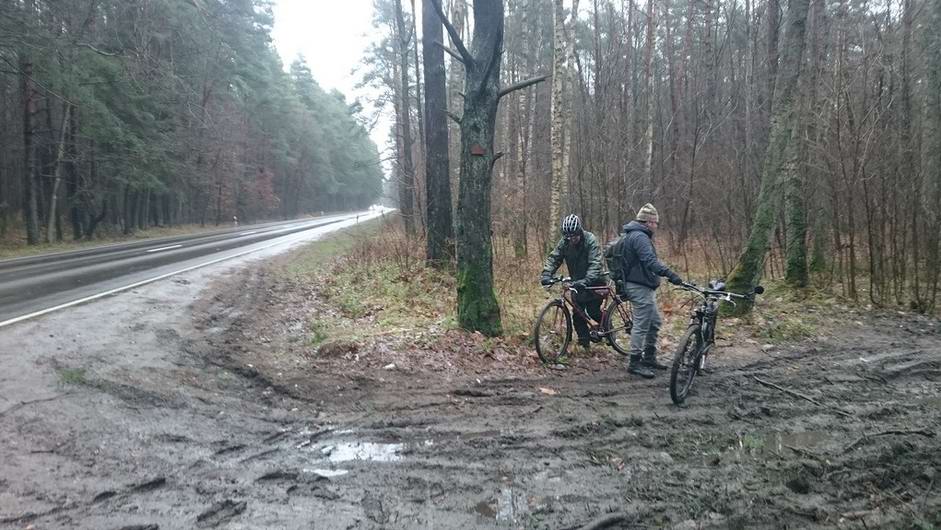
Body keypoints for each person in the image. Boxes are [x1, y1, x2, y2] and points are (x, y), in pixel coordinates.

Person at [611, 204, 684, 378]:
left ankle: (649, 357)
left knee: (655, 322)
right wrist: (670, 274)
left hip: (641, 285)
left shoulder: (634, 235)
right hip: (638, 286)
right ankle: (634, 362)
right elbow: (650, 261)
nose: (656, 226)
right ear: (649, 222)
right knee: (641, 325)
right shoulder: (639, 237)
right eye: (655, 223)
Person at [540, 214, 606, 351]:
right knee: (577, 313)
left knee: (593, 311)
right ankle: (584, 344)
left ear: (580, 232)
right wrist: (547, 273)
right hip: (577, 282)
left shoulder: (590, 240)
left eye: (574, 236)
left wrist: (587, 280)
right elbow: (554, 258)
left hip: (595, 281)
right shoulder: (564, 242)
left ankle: (608, 328)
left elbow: (595, 263)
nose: (572, 239)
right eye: (568, 237)